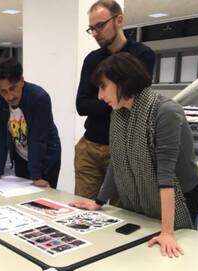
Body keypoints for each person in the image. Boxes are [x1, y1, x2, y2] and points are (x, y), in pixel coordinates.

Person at [71, 52, 198, 258]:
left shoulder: (165, 111)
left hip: (179, 195)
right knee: (142, 249)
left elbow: (166, 176)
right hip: (144, 194)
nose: (99, 96)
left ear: (122, 82)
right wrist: (99, 201)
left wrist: (167, 231)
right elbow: (117, 159)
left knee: (169, 254)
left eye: (103, 86)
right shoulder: (119, 112)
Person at [74, 0, 155, 199]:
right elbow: (82, 105)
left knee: (120, 213)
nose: (95, 33)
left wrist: (108, 103)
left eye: (100, 26)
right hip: (90, 146)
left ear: (119, 20)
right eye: (91, 29)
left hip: (124, 148)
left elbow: (136, 104)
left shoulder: (142, 55)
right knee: (82, 211)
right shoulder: (93, 59)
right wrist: (115, 101)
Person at [0, 58, 61, 188]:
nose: (10, 97)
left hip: (46, 155)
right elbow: (0, 136)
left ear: (21, 81)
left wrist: (36, 176)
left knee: (43, 200)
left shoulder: (39, 98)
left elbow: (38, 139)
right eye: (3, 91)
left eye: (12, 88)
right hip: (21, 155)